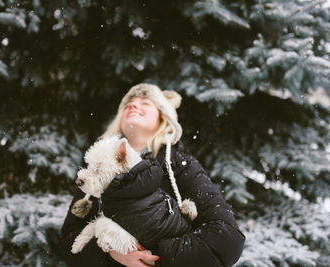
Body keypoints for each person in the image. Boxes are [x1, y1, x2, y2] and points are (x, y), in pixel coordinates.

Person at [61, 83, 246, 267]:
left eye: (146, 103)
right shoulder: (97, 170)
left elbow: (226, 238)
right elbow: (69, 240)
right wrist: (112, 254)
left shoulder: (181, 166)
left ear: (163, 117)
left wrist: (155, 256)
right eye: (128, 104)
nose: (133, 105)